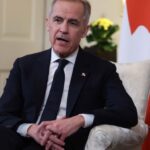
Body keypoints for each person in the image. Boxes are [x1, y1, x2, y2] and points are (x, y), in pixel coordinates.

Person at [0, 0, 137, 150]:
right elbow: (4, 113)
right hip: (22, 139)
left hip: (64, 144)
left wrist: (79, 120)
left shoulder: (102, 70)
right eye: (58, 20)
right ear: (48, 24)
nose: (63, 29)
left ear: (85, 30)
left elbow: (127, 113)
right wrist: (30, 129)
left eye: (73, 23)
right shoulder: (24, 65)